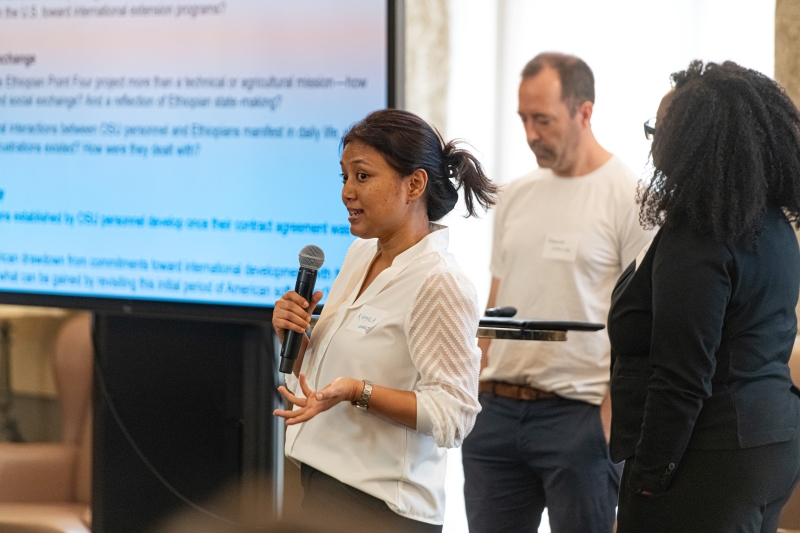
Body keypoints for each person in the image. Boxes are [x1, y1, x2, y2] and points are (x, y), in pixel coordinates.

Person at [271, 108, 498, 533]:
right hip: (322, 484)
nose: (346, 193)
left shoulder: (439, 282)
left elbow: (453, 416)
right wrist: (294, 334)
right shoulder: (361, 254)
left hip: (382, 510)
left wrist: (359, 391)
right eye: (344, 178)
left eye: (362, 176)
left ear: (414, 184)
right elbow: (319, 378)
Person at [461, 52, 654, 533]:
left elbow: (647, 323)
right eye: (524, 119)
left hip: (580, 420)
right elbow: (496, 301)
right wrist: (472, 393)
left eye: (542, 120)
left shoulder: (630, 198)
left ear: (584, 113)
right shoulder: (516, 195)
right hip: (495, 415)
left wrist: (608, 425)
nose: (530, 134)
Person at [608, 60, 800, 533]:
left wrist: (652, 474)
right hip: (770, 443)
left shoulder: (699, 234)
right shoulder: (774, 225)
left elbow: (682, 375)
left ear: (693, 139)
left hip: (706, 458)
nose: (652, 141)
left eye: (658, 129)